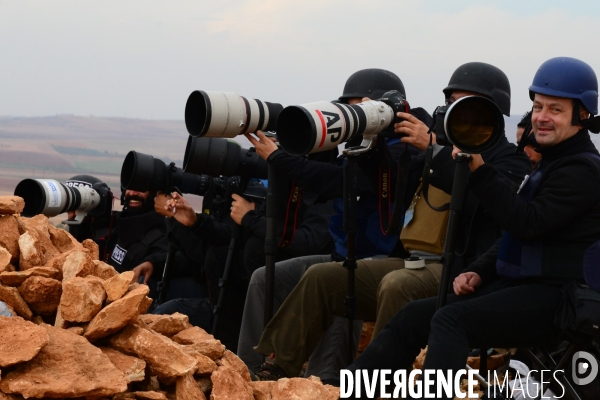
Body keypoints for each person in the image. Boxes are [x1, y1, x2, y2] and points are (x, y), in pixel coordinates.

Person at [344, 56, 600, 399]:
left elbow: (528, 224)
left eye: (555, 109)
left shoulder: (582, 170)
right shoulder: (553, 163)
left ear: (582, 114)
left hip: (557, 298)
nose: (541, 116)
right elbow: (514, 232)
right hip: (521, 287)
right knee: (414, 316)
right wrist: (479, 271)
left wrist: (478, 169)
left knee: (452, 320)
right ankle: (348, 394)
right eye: (538, 106)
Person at [243, 68, 436, 381]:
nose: (356, 115)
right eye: (350, 107)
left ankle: (328, 381)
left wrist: (281, 160)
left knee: (341, 282)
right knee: (264, 279)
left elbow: (341, 182)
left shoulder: (404, 148)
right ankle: (250, 370)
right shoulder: (360, 147)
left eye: (362, 106)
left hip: (384, 260)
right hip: (343, 253)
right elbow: (323, 178)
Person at [160, 175, 334, 352]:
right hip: (234, 301)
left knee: (253, 249)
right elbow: (232, 238)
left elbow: (307, 241)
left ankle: (257, 353)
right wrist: (194, 222)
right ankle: (229, 352)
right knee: (220, 255)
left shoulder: (325, 190)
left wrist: (251, 219)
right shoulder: (282, 187)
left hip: (294, 295)